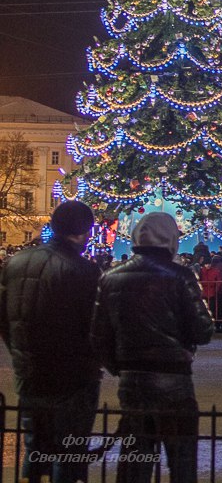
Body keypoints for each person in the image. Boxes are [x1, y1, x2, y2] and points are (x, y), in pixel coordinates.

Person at [91, 211, 215, 483]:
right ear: (169, 240)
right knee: (182, 458)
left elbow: (99, 337)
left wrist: (122, 367)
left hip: (132, 380)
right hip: (175, 377)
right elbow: (203, 330)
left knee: (136, 457)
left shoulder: (111, 277)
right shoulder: (180, 276)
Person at [0, 201, 101, 483]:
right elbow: (94, 328)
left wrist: (20, 353)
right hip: (72, 378)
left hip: (29, 372)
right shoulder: (83, 270)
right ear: (82, 232)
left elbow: (4, 319)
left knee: (35, 447)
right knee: (69, 452)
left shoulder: (15, 263)